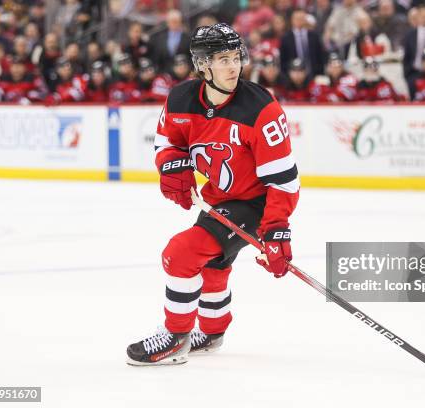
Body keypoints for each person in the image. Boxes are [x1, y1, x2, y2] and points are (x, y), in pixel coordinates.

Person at [126, 23, 299, 366]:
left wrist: (276, 229)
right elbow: (167, 142)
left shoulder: (262, 109)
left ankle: (177, 336)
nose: (234, 66)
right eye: (223, 59)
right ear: (203, 65)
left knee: (180, 254)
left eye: (236, 57)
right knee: (214, 265)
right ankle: (213, 331)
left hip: (255, 204)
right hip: (219, 197)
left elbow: (283, 180)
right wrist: (173, 167)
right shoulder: (179, 99)